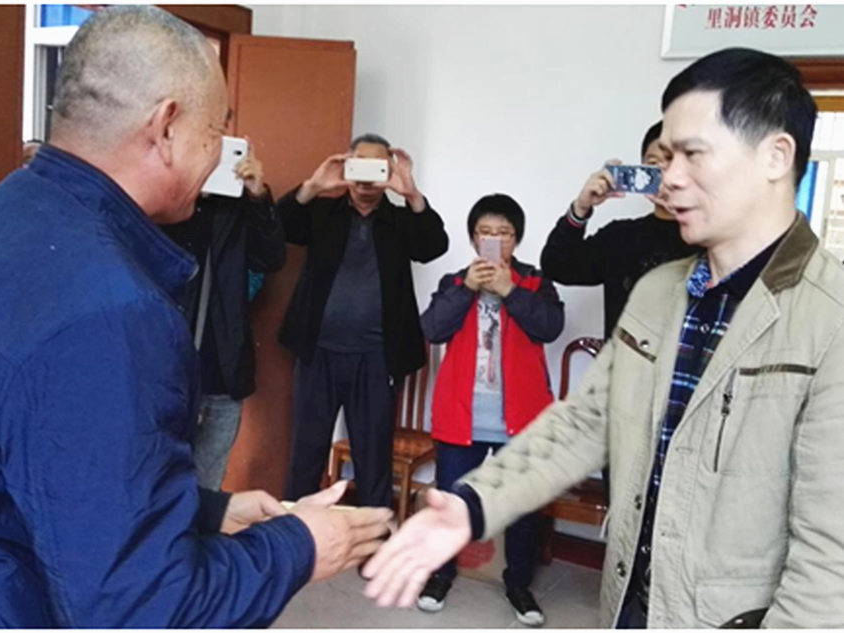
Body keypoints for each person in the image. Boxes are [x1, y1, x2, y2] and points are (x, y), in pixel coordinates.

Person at [362, 48, 844, 629]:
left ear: (776, 156)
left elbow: (829, 558)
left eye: (692, 154)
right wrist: (472, 504)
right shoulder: (659, 292)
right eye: (666, 157)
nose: (669, 178)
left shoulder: (829, 317)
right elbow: (586, 422)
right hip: (630, 605)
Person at [0, 6, 390, 627]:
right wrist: (300, 547)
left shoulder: (12, 208)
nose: (220, 153)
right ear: (167, 127)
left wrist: (208, 511)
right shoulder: (113, 314)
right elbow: (145, 608)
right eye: (218, 129)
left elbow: (56, 476)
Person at [277, 133, 449, 509]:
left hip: (377, 358)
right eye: (361, 166)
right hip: (317, 353)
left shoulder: (400, 220)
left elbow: (433, 246)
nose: (367, 178)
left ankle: (373, 534)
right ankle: (294, 530)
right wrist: (313, 186)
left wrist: (412, 194)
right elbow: (281, 227)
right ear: (347, 165)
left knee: (373, 460)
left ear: (389, 172)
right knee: (306, 453)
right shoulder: (323, 212)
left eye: (377, 168)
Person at [417, 194, 564, 626]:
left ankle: (518, 585)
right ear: (473, 239)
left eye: (504, 233)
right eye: (485, 233)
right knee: (450, 502)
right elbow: (432, 329)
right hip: (461, 415)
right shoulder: (453, 282)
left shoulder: (535, 282)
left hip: (522, 418)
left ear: (516, 240)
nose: (494, 240)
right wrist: (468, 288)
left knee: (521, 509)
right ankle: (440, 575)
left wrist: (509, 291)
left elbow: (550, 327)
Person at [163, 141, 286, 491]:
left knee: (208, 486)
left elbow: (272, 258)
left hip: (223, 371)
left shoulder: (238, 207)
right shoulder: (166, 205)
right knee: (162, 482)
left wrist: (257, 195)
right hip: (170, 374)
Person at [540, 122, 701, 340]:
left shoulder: (713, 239)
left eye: (671, 162)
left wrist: (684, 209)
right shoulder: (620, 237)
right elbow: (556, 265)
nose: (663, 174)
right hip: (622, 360)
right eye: (653, 164)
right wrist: (581, 207)